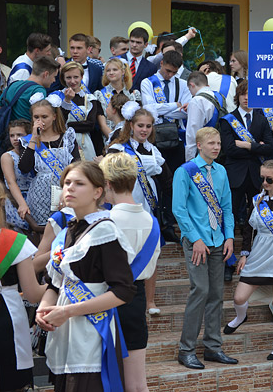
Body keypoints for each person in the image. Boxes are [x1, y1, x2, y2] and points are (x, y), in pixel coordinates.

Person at [36, 161, 136, 392]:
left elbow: (123, 290)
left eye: (79, 183)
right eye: (67, 183)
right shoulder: (67, 231)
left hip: (91, 333)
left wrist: (67, 311)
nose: (69, 188)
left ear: (97, 192)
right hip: (64, 332)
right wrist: (43, 310)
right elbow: (54, 283)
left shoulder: (106, 231)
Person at [224, 159, 273, 361]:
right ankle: (241, 316)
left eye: (269, 179)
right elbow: (248, 229)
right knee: (239, 297)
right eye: (262, 179)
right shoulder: (256, 200)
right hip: (259, 252)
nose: (265, 183)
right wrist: (244, 254)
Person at [173, 127, 237, 369]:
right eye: (211, 143)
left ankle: (213, 347)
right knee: (199, 291)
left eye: (218, 143)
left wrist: (229, 237)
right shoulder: (185, 172)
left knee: (217, 295)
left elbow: (227, 208)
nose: (216, 147)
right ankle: (186, 349)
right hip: (196, 241)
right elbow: (178, 209)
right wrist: (194, 238)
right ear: (199, 145)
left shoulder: (221, 171)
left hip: (218, 240)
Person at [100, 153, 161, 392]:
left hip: (104, 301)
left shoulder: (105, 221)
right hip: (135, 303)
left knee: (106, 379)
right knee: (137, 384)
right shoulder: (152, 221)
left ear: (107, 184)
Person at [108, 103, 167, 316]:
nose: (144, 130)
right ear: (131, 125)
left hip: (148, 208)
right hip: (123, 208)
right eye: (140, 125)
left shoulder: (154, 149)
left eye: (148, 126)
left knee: (151, 254)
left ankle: (150, 301)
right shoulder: (118, 148)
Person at [0, 177, 46, 391]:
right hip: (7, 316)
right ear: (1, 203)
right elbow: (32, 294)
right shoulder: (13, 240)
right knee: (11, 381)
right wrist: (56, 287)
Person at [18, 95, 80, 225]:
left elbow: (77, 166)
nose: (40, 121)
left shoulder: (67, 137)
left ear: (54, 116)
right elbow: (24, 168)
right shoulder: (27, 141)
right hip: (40, 197)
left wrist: (67, 191)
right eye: (36, 117)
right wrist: (34, 138)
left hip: (67, 192)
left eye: (44, 117)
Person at [220, 79, 273, 225]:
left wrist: (247, 145)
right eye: (243, 94)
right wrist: (258, 147)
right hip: (235, 173)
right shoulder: (227, 120)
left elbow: (270, 148)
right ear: (237, 96)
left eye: (250, 94)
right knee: (230, 214)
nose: (246, 98)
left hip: (257, 174)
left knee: (256, 214)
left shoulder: (262, 120)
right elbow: (230, 149)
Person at [140, 50, 190, 173]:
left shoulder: (183, 84)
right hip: (155, 136)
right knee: (158, 175)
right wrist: (175, 105)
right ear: (161, 63)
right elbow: (149, 109)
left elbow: (185, 112)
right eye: (168, 71)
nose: (170, 75)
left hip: (177, 136)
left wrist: (160, 110)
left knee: (177, 174)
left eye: (174, 72)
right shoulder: (148, 83)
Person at [0, 56, 60, 125]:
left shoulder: (12, 86)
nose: (54, 80)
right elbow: (40, 121)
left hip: (10, 134)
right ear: (46, 74)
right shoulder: (39, 91)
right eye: (54, 77)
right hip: (28, 135)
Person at [58, 61, 107, 160]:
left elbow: (90, 124)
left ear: (81, 77)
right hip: (63, 142)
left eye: (76, 77)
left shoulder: (89, 98)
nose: (72, 81)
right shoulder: (57, 97)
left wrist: (67, 126)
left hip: (85, 143)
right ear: (63, 78)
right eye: (68, 77)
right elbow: (58, 123)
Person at [185, 71, 227, 161]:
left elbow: (193, 133)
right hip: (220, 148)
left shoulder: (197, 101)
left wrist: (190, 160)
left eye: (189, 90)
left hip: (204, 152)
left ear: (191, 85)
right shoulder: (219, 96)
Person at [1, 119, 33, 231]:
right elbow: (11, 182)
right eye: (12, 135)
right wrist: (22, 204)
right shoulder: (8, 156)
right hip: (17, 199)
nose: (15, 138)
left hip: (34, 196)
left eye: (19, 135)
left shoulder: (35, 153)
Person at [94, 58, 142, 133]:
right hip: (108, 138)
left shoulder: (133, 94)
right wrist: (115, 140)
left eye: (115, 70)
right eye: (108, 70)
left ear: (123, 72)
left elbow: (138, 119)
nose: (111, 73)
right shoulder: (99, 94)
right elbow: (102, 125)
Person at [120, 27, 158, 91]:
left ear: (146, 45)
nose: (134, 45)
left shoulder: (151, 67)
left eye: (138, 42)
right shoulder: (117, 60)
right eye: (132, 41)